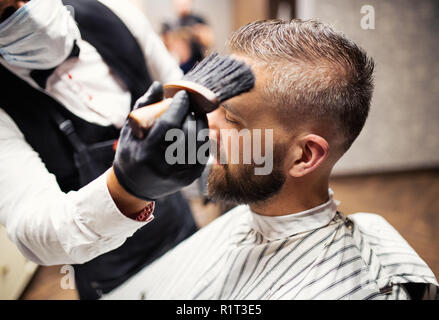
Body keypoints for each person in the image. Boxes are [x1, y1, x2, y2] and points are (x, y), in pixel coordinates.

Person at [104, 20, 438, 300]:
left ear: (304, 156)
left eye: (232, 120)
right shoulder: (239, 220)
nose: (205, 129)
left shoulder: (361, 287)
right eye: (212, 108)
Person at [0, 0, 207, 299]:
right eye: (6, 11)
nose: (29, 10)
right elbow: (34, 228)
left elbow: (178, 84)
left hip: (179, 228)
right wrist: (127, 188)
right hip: (112, 275)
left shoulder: (114, 11)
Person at [161, 0, 214, 73]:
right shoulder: (170, 23)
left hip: (197, 64)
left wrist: (198, 34)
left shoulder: (198, 20)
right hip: (177, 64)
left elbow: (209, 40)